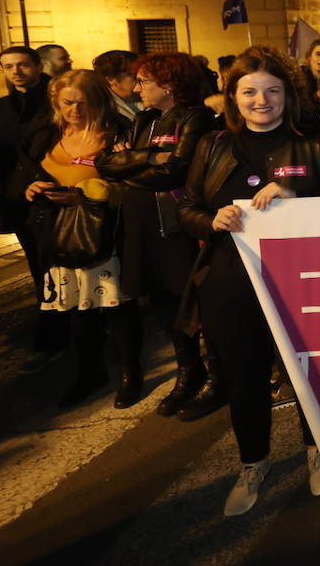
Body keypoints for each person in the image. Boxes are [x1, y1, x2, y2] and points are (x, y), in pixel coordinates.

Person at [177, 47, 320, 516]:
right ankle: (253, 462)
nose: (261, 100)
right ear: (233, 97)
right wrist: (212, 219)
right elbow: (187, 209)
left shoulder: (317, 146)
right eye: (249, 91)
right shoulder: (213, 147)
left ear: (288, 96)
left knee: (310, 376)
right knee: (244, 379)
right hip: (230, 286)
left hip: (304, 283)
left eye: (272, 90)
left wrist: (296, 198)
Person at [96, 53, 217, 415]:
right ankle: (188, 368)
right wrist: (149, 158)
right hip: (141, 224)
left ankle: (211, 371)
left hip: (173, 226)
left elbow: (175, 172)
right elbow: (106, 163)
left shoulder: (194, 117)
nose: (138, 87)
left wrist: (130, 162)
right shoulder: (143, 119)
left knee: (188, 298)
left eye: (145, 81)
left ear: (169, 84)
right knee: (164, 300)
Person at [11, 70, 133, 407]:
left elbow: (134, 184)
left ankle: (129, 374)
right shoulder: (46, 133)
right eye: (67, 103)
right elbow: (22, 174)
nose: (75, 110)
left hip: (102, 235)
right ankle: (90, 372)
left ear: (98, 101)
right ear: (55, 102)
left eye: (83, 102)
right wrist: (31, 188)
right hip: (56, 234)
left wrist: (87, 197)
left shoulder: (118, 133)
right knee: (78, 311)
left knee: (116, 308)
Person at [0, 46, 64, 367]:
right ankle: (51, 324)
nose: (16, 71)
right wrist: (19, 186)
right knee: (39, 266)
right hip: (22, 201)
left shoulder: (57, 102)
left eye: (23, 65)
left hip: (58, 195)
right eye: (8, 66)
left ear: (37, 66)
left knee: (66, 262)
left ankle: (73, 323)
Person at [92, 50, 140, 122]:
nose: (139, 81)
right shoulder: (103, 113)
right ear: (111, 80)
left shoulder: (143, 101)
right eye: (133, 75)